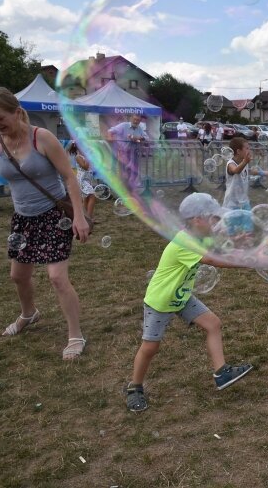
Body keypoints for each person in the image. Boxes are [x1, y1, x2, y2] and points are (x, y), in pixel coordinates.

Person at [125, 193, 254, 412]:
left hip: (181, 297)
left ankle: (221, 372)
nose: (216, 223)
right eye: (212, 219)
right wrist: (248, 262)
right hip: (161, 301)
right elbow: (213, 260)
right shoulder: (184, 241)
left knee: (213, 324)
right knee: (150, 347)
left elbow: (219, 248)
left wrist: (238, 243)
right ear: (197, 220)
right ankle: (134, 388)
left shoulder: (200, 236)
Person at [0, 87, 90, 359]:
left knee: (57, 277)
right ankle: (29, 314)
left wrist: (79, 215)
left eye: (1, 119)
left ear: (17, 113)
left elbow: (70, 178)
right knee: (18, 276)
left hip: (52, 217)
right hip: (22, 220)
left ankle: (76, 335)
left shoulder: (42, 138)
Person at [108, 113, 149, 189]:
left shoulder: (139, 128)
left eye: (138, 120)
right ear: (131, 118)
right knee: (122, 171)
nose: (136, 121)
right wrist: (110, 138)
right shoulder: (124, 125)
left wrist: (139, 138)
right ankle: (119, 187)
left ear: (140, 121)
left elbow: (146, 138)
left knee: (133, 171)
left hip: (133, 154)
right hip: (121, 153)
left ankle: (129, 187)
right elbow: (111, 131)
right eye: (135, 119)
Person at [69, 143, 96, 220]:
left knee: (86, 198)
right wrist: (88, 157)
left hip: (87, 180)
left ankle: (85, 217)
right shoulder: (78, 157)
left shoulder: (83, 156)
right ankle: (89, 218)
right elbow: (85, 167)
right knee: (92, 196)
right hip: (82, 180)